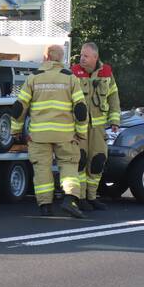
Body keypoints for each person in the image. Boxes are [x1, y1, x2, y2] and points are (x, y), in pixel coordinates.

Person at [11, 44, 89, 218]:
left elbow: (19, 107)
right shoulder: (70, 78)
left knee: (42, 169)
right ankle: (70, 199)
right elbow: (81, 109)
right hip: (65, 133)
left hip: (39, 134)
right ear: (61, 59)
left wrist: (15, 130)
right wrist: (81, 133)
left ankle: (45, 206)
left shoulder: (33, 78)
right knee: (69, 165)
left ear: (45, 57)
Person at [71, 42, 121, 210]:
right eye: (81, 55)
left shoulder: (106, 72)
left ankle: (92, 197)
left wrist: (115, 120)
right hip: (79, 128)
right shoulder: (74, 72)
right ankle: (80, 198)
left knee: (98, 160)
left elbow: (113, 96)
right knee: (80, 161)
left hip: (99, 127)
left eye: (85, 56)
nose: (81, 58)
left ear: (95, 57)